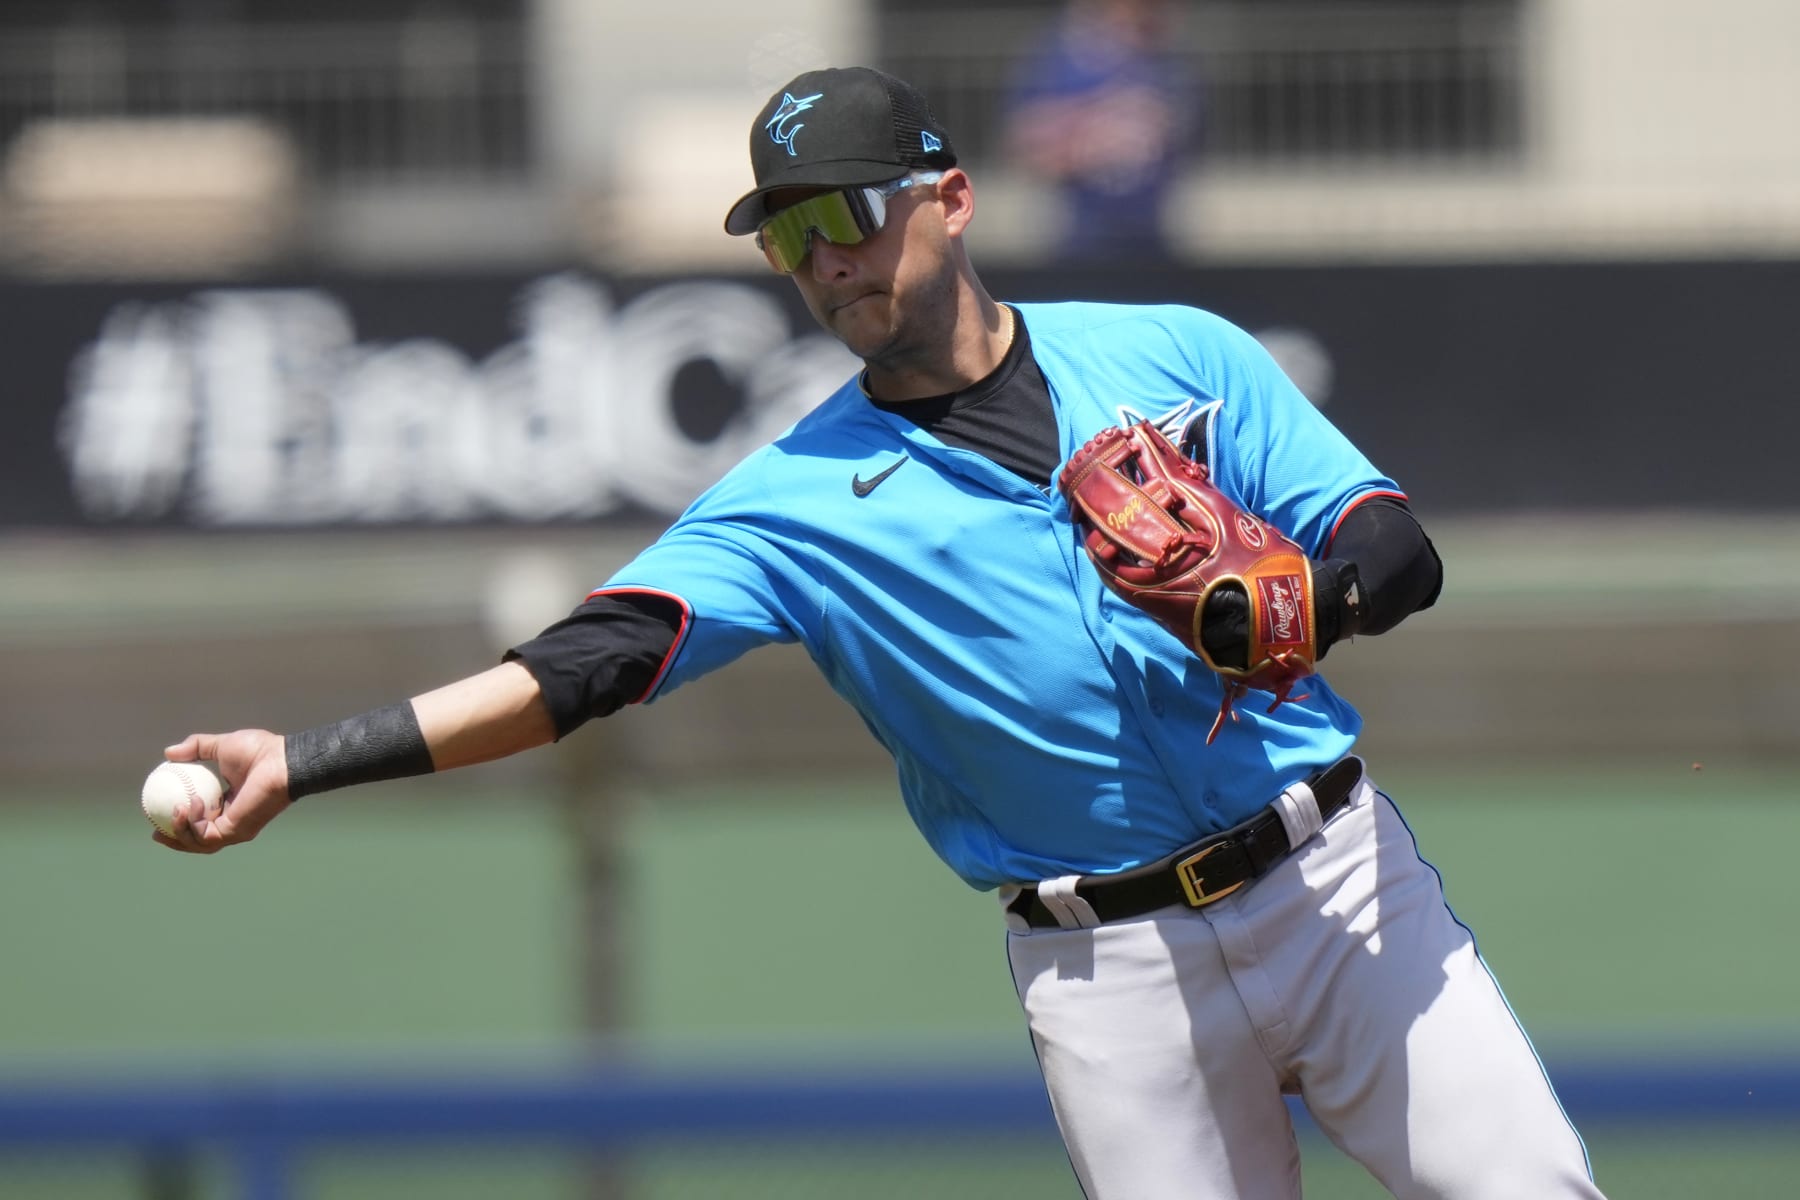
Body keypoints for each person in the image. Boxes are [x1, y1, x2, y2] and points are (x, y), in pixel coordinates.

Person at [156, 66, 1607, 1200]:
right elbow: (572, 672)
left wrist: (1313, 600)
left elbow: (1391, 546)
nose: (825, 259)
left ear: (951, 199)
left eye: (846, 214)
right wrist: (306, 757)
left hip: (1336, 888)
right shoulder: (787, 506)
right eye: (791, 237)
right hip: (1107, 972)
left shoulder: (1173, 354)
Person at [1003, 0, 1200, 261]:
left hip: (1152, 243)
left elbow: (1185, 141)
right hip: (1081, 243)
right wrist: (1089, 135)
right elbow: (1025, 148)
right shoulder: (1062, 59)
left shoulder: (1169, 66)